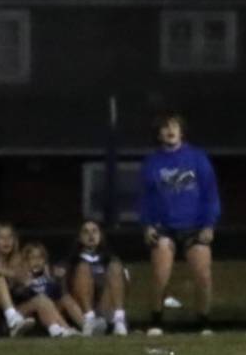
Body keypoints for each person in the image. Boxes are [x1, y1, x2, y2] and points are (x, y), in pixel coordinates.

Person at [141, 113, 220, 336]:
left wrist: (209, 224)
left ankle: (203, 320)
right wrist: (147, 225)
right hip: (164, 227)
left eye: (174, 126)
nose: (170, 131)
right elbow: (146, 197)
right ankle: (156, 319)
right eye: (165, 128)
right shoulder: (152, 163)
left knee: (203, 274)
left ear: (181, 131)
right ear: (159, 134)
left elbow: (210, 193)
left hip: (195, 225)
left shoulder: (197, 158)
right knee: (160, 273)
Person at [66, 220, 129, 337]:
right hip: (81, 309)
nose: (91, 236)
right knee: (83, 268)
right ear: (79, 237)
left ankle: (119, 320)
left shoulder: (109, 258)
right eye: (86, 232)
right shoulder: (72, 260)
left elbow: (125, 283)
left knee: (115, 267)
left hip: (104, 306)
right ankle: (89, 320)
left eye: (94, 231)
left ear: (101, 235)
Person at [6, 242, 79, 338]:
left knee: (65, 298)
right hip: (24, 313)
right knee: (41, 299)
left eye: (40, 258)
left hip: (45, 312)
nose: (37, 261)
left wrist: (55, 279)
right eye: (32, 258)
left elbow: (57, 294)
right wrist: (25, 285)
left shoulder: (46, 276)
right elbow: (17, 295)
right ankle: (66, 329)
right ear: (25, 262)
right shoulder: (21, 276)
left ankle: (86, 325)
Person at [0, 222, 36, 337]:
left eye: (10, 237)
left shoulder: (16, 260)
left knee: (41, 301)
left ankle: (60, 330)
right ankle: (13, 320)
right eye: (1, 237)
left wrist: (25, 282)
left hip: (6, 310)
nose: (7, 241)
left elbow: (26, 281)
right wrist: (12, 274)